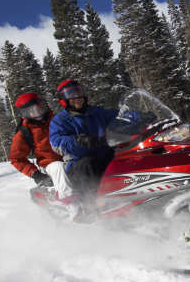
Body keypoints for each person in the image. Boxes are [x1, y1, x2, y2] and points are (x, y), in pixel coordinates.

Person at [9, 92, 81, 220]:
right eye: (31, 111)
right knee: (59, 167)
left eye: (39, 107)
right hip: (49, 163)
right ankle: (72, 206)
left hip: (71, 156)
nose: (37, 112)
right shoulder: (24, 131)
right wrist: (35, 174)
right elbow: (16, 158)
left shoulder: (56, 119)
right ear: (24, 114)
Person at [49, 79, 119, 199]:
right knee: (88, 164)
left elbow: (120, 116)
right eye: (71, 95)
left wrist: (140, 116)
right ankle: (91, 206)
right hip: (78, 163)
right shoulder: (60, 120)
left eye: (79, 93)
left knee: (126, 154)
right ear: (64, 99)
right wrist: (78, 140)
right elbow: (57, 142)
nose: (77, 97)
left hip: (105, 154)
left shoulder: (98, 113)